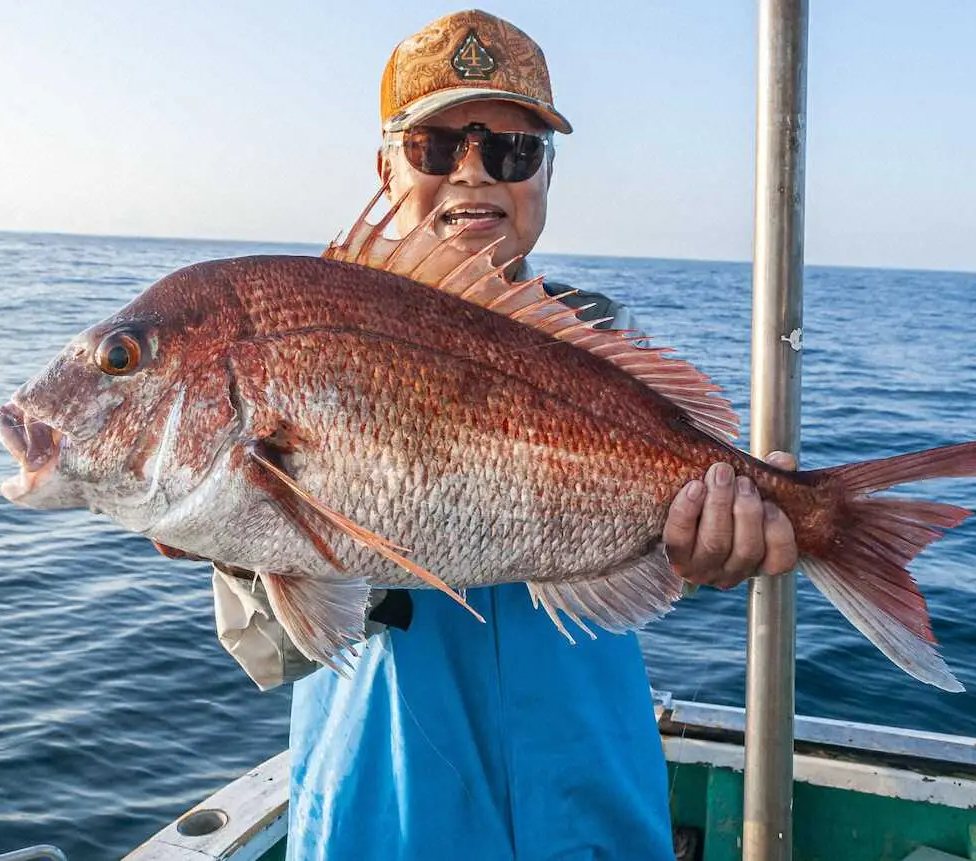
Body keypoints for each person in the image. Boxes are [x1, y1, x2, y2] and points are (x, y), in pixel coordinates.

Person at [212, 10, 798, 860]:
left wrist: (715, 546)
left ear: (547, 175)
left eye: (514, 151)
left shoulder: (602, 342)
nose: (474, 175)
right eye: (436, 147)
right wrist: (244, 538)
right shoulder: (303, 343)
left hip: (591, 799)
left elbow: (652, 561)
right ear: (384, 167)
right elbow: (273, 651)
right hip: (389, 813)